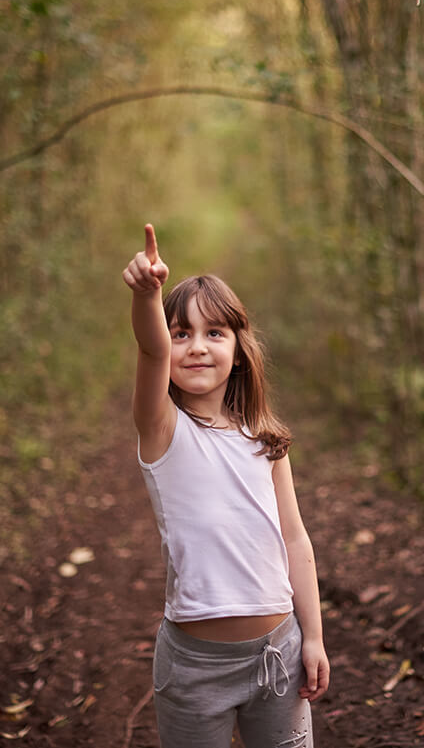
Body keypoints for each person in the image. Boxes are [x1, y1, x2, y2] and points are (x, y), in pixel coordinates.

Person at [122, 223, 330, 747]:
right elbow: (148, 352)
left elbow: (295, 540)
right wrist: (148, 296)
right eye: (180, 333)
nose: (196, 347)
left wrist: (314, 638)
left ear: (238, 351)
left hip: (278, 656)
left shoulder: (266, 441)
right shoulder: (164, 429)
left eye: (214, 333)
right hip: (195, 668)